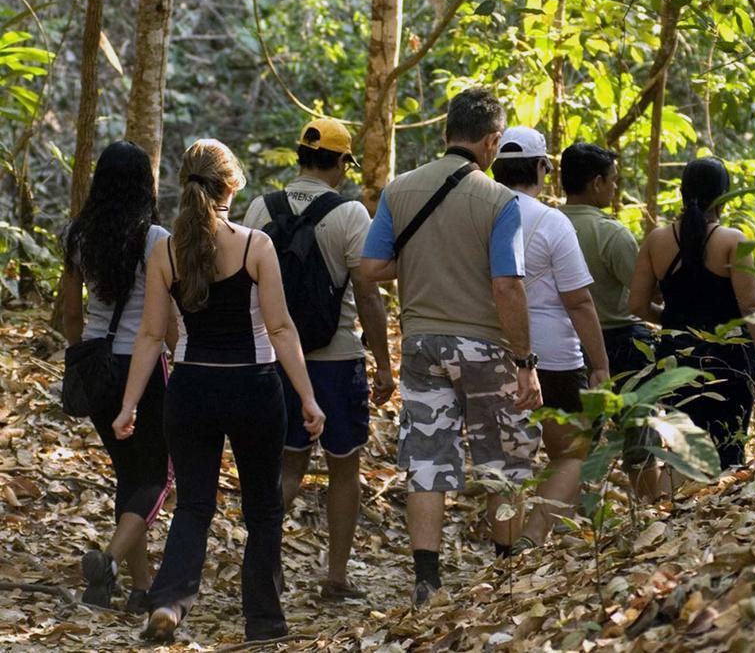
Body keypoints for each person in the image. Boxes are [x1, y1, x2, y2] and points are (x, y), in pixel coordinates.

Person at [114, 139, 326, 643]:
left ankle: (168, 602)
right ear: (231, 186)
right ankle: (264, 622)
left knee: (193, 506)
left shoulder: (166, 251)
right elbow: (280, 329)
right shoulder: (255, 245)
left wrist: (129, 405)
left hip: (190, 387)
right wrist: (309, 397)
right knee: (263, 508)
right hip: (252, 387)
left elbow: (150, 334)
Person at [360, 88, 541, 606]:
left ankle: (426, 579)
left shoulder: (400, 190)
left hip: (420, 344)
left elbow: (372, 269)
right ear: (492, 141)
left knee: (427, 461)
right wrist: (526, 363)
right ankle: (506, 575)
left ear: (445, 135)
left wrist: (420, 267)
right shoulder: (499, 200)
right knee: (502, 461)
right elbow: (508, 286)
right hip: (483, 347)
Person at [242, 117, 393, 601]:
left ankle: (263, 567)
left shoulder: (259, 209)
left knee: (287, 468)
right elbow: (368, 296)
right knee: (343, 468)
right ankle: (336, 577)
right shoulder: (351, 215)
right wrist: (386, 365)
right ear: (342, 164)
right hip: (336, 358)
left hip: (275, 357)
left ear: (301, 157)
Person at [60, 140, 172, 613]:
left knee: (130, 474)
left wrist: (80, 351)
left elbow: (67, 310)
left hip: (95, 363)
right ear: (144, 184)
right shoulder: (154, 239)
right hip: (142, 364)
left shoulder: (77, 235)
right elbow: (164, 318)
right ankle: (107, 560)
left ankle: (139, 592)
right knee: (160, 477)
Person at [629, 156, 755, 482]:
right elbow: (751, 307)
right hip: (729, 357)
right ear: (723, 196)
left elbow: (638, 305)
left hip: (675, 356)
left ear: (684, 193)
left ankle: (674, 522)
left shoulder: (657, 241)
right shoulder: (733, 241)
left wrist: (674, 324)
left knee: (683, 449)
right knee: (727, 447)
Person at [491, 127, 609, 550]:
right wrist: (600, 364)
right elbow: (578, 301)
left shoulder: (479, 212)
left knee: (506, 459)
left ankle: (506, 555)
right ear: (542, 169)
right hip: (553, 356)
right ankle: (532, 536)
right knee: (572, 454)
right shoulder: (551, 221)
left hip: (495, 348)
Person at [559, 142, 660, 497]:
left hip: (564, 345)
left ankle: (566, 516)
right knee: (639, 434)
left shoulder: (545, 225)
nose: (616, 188)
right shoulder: (611, 233)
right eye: (613, 181)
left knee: (577, 440)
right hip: (621, 343)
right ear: (597, 183)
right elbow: (643, 295)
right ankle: (650, 510)